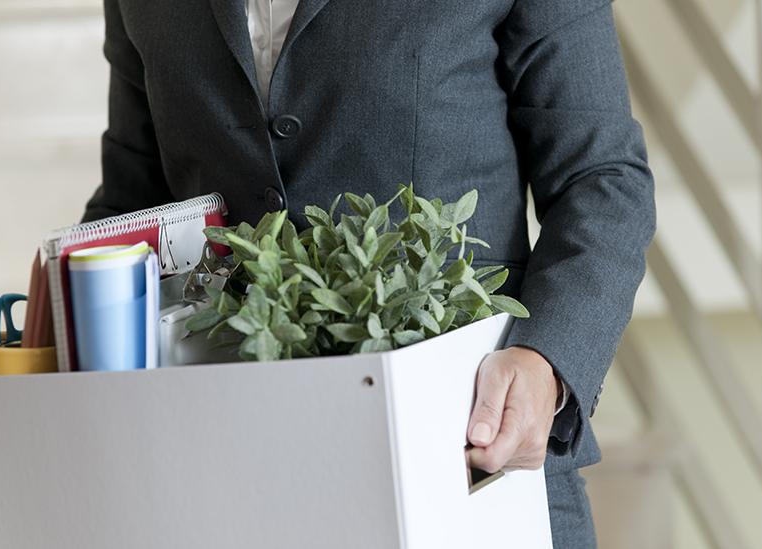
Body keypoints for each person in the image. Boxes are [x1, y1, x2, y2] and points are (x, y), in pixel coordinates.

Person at [83, 0, 655, 545]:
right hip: (232, 477)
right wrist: (48, 330)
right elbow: (132, 203)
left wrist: (547, 360)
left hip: (470, 466)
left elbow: (602, 177)